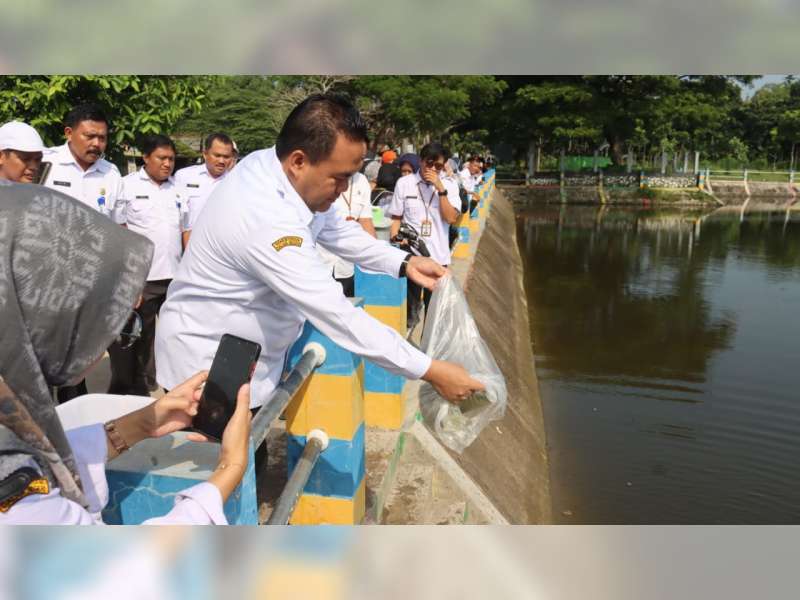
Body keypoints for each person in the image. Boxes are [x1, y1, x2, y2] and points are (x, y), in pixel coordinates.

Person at [155, 94, 484, 410]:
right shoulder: (265, 216)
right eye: (339, 178)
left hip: (249, 354)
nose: (344, 189)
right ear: (299, 161)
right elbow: (337, 314)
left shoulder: (275, 166)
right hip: (207, 367)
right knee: (226, 448)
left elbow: (336, 228)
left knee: (252, 440)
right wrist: (430, 370)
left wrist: (404, 261)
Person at [0, 183, 251, 524]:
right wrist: (230, 467)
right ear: (50, 318)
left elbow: (43, 457)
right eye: (110, 325)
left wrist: (141, 424)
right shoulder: (15, 495)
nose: (114, 342)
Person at [41, 103, 125, 403]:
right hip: (45, 278)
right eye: (90, 136)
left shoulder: (111, 173)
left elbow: (119, 227)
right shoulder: (46, 163)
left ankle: (73, 404)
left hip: (90, 281)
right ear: (68, 133)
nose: (97, 144)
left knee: (78, 350)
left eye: (102, 138)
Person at [107, 134, 184, 395]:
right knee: (139, 335)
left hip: (174, 277)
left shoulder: (178, 188)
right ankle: (135, 387)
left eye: (171, 159)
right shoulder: (126, 186)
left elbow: (184, 230)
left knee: (174, 335)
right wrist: (129, 278)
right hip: (143, 277)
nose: (167, 164)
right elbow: (120, 231)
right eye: (161, 158)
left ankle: (167, 382)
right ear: (146, 157)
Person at [390, 142, 461, 327]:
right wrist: (395, 240)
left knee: (434, 315)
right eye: (429, 163)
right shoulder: (404, 183)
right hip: (411, 256)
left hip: (437, 258)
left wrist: (441, 189)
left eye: (438, 166)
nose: (433, 169)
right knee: (409, 314)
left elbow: (451, 218)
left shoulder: (449, 186)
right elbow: (396, 218)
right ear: (421, 161)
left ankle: (428, 344)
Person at [317, 171, 376, 296]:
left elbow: (366, 221)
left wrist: (376, 257)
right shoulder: (319, 175)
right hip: (319, 261)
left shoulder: (362, 181)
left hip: (347, 264)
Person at [174, 132, 235, 247]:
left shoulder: (236, 181)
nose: (221, 161)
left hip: (219, 247)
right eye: (217, 155)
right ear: (205, 154)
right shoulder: (184, 176)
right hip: (186, 243)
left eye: (226, 157)